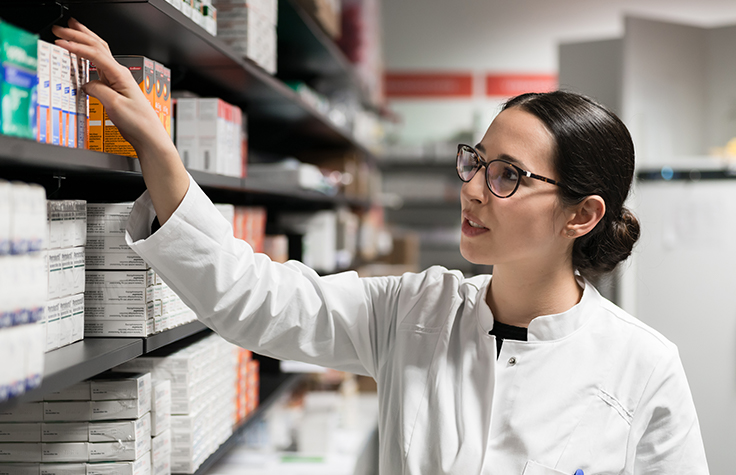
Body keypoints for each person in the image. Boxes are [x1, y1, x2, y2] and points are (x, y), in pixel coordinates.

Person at [54, 19, 710, 475]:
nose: (473, 190)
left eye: (507, 175)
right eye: (475, 162)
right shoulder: (414, 311)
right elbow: (253, 299)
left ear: (582, 214)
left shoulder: (643, 367)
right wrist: (160, 151)